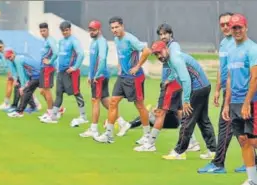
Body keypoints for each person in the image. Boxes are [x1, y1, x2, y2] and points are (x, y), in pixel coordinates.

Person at [148, 41, 216, 159]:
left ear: (166, 49)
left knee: (186, 120)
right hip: (205, 86)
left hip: (198, 88)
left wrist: (186, 100)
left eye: (160, 52)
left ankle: (179, 152)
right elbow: (176, 72)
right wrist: (169, 79)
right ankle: (213, 150)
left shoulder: (175, 59)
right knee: (203, 119)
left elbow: (185, 80)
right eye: (156, 54)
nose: (159, 56)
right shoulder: (170, 58)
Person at [94, 16, 152, 144]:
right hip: (123, 77)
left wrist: (137, 66)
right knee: (113, 102)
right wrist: (120, 66)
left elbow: (147, 50)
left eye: (116, 27)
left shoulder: (130, 39)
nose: (114, 30)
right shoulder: (116, 39)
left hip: (134, 78)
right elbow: (120, 55)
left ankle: (147, 136)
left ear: (122, 26)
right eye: (112, 28)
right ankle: (109, 135)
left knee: (140, 106)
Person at [222, 14, 257, 185]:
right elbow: (229, 78)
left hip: (250, 102)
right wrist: (226, 104)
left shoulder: (252, 49)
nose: (236, 31)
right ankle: (252, 180)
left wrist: (246, 103)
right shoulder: (230, 50)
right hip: (234, 101)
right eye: (233, 27)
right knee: (243, 140)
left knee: (253, 139)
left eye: (239, 27)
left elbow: (255, 78)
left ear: (246, 28)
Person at [79, 20, 129, 138]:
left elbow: (102, 60)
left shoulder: (101, 42)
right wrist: (90, 75)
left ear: (99, 30)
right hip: (97, 76)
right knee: (105, 101)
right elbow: (93, 61)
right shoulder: (94, 42)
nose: (91, 32)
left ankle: (94, 129)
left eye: (94, 30)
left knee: (95, 101)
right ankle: (123, 123)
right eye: (90, 30)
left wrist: (96, 75)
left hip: (100, 77)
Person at [156, 23, 200, 151]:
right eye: (161, 34)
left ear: (171, 34)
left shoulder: (173, 47)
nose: (163, 36)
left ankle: (150, 141)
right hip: (173, 82)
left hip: (174, 84)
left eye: (165, 34)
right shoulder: (166, 46)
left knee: (162, 111)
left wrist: (169, 79)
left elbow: (177, 66)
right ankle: (193, 141)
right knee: (180, 112)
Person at [41, 21, 88, 125]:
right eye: (63, 31)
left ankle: (83, 116)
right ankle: (53, 117)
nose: (65, 32)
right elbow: (59, 55)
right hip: (61, 72)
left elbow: (81, 54)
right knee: (58, 93)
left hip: (71, 72)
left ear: (70, 30)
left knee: (76, 93)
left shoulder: (74, 41)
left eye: (67, 30)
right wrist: (55, 65)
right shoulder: (61, 41)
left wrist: (74, 67)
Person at [4, 50, 41, 117]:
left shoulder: (17, 60)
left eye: (10, 57)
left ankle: (21, 111)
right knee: (39, 92)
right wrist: (25, 83)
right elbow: (23, 72)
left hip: (38, 74)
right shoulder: (17, 58)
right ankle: (24, 110)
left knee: (27, 91)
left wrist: (23, 86)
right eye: (8, 58)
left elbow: (21, 73)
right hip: (36, 74)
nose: (10, 59)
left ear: (13, 54)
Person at [37, 22, 62, 120]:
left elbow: (56, 52)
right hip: (43, 68)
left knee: (46, 90)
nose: (42, 32)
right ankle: (57, 109)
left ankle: (51, 113)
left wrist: (50, 61)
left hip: (48, 68)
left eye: (44, 30)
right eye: (41, 31)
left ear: (48, 30)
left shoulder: (50, 40)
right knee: (42, 90)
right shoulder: (45, 41)